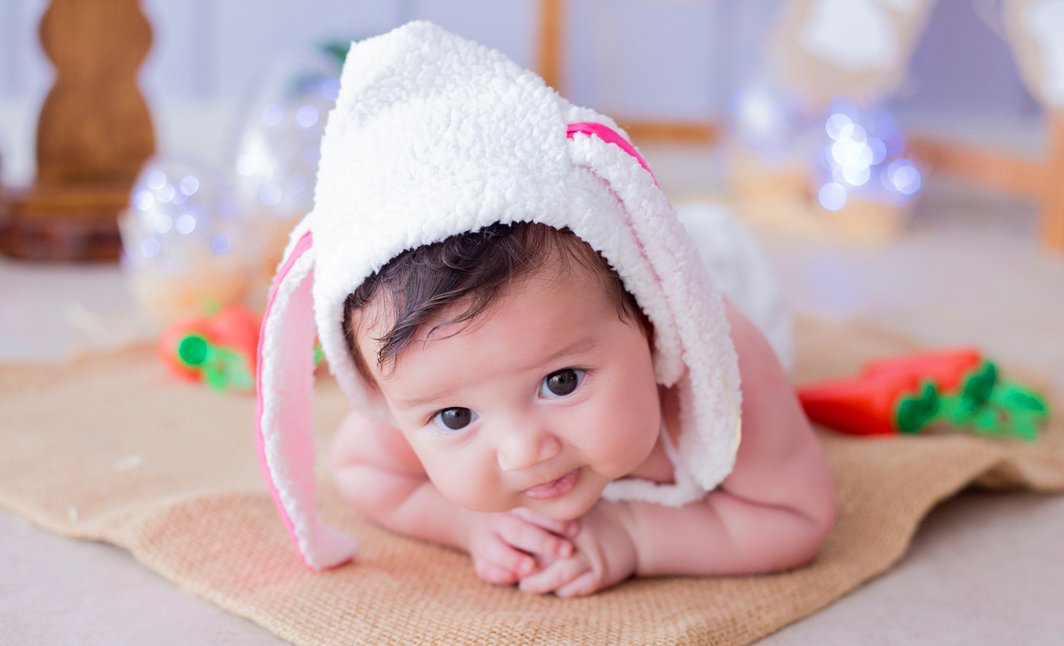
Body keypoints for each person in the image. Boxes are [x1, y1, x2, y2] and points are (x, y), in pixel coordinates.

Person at [254, 22, 836, 594]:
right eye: (456, 418)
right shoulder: (430, 376)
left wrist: (634, 534)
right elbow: (364, 472)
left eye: (561, 381)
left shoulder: (720, 365)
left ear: (650, 321)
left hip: (709, 265)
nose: (524, 450)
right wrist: (470, 521)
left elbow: (796, 516)